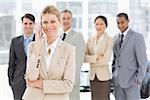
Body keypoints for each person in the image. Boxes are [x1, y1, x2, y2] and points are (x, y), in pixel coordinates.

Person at [22, 5, 75, 100]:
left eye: (53, 21)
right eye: (45, 22)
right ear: (41, 26)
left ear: (59, 23)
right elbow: (31, 77)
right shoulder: (33, 46)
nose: (49, 25)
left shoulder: (69, 50)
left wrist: (40, 83)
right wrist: (38, 46)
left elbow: (68, 85)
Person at [112, 13, 148, 100]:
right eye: (118, 23)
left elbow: (143, 61)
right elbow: (115, 59)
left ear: (128, 21)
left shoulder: (137, 37)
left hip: (132, 82)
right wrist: (114, 74)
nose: (120, 25)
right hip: (118, 82)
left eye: (122, 22)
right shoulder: (115, 38)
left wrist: (139, 80)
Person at [8, 13, 35, 100]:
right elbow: (11, 63)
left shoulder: (40, 41)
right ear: (22, 24)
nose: (28, 26)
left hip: (35, 82)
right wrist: (12, 81)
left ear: (34, 24)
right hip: (18, 82)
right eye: (25, 23)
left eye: (30, 23)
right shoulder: (15, 41)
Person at [84, 15, 113, 100]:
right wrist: (96, 57)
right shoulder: (90, 39)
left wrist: (91, 59)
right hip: (93, 77)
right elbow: (84, 58)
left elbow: (105, 60)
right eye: (97, 24)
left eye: (101, 24)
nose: (99, 26)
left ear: (106, 26)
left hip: (104, 78)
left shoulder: (109, 40)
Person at [60, 9, 85, 100]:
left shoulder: (78, 36)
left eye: (68, 18)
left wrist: (70, 80)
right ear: (60, 20)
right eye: (63, 18)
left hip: (71, 81)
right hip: (59, 81)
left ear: (72, 20)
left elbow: (79, 61)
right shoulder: (58, 36)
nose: (66, 21)